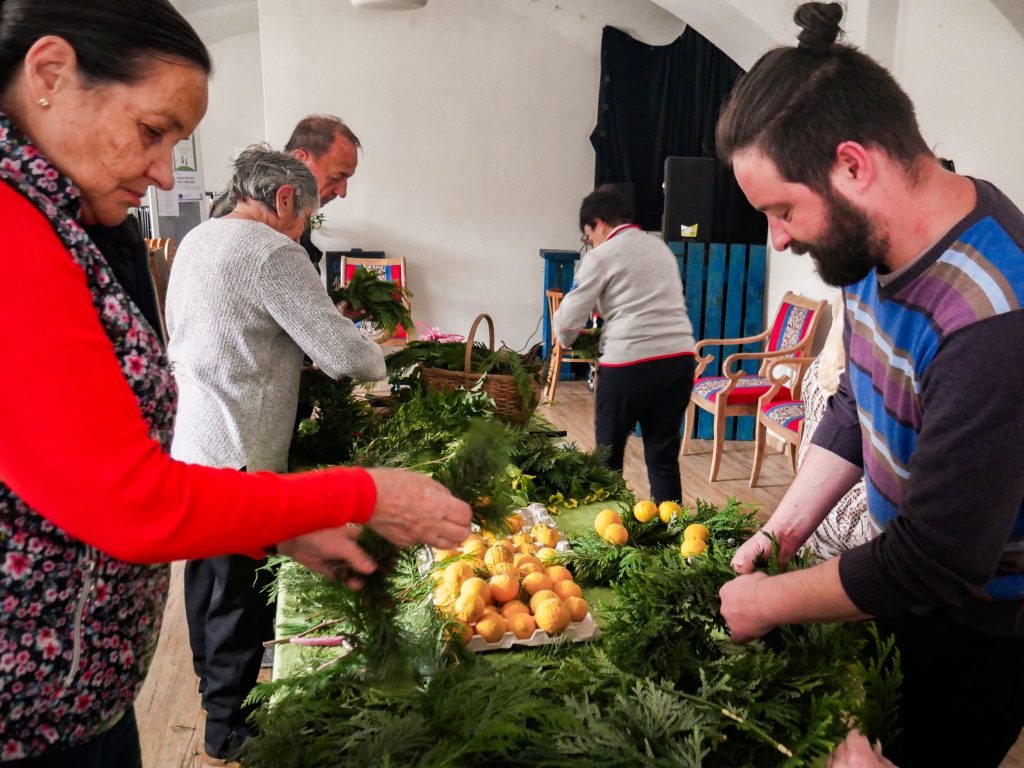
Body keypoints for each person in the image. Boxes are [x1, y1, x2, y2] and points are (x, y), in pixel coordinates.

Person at [0, 2, 471, 765]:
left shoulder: (147, 230)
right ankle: (229, 728)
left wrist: (281, 521)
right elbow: (126, 504)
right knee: (230, 606)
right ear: (50, 74)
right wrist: (363, 492)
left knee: (217, 598)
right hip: (35, 725)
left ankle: (224, 717)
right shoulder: (18, 228)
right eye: (154, 131)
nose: (163, 171)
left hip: (79, 696)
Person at [714, 3, 1024, 767]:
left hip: (981, 628)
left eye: (782, 210)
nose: (779, 238)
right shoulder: (870, 250)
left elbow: (938, 559)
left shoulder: (996, 314)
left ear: (853, 164)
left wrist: (770, 601)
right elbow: (858, 401)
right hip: (900, 586)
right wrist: (778, 536)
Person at [166, 144, 387, 764]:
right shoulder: (272, 250)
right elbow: (345, 357)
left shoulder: (199, 238)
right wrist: (380, 352)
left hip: (194, 437)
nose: (304, 229)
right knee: (240, 587)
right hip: (242, 446)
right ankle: (229, 729)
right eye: (306, 216)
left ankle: (212, 685)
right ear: (285, 198)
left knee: (208, 573)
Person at [553, 186, 696, 503]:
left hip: (629, 364)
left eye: (588, 234)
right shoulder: (661, 249)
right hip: (679, 360)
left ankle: (608, 536)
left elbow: (565, 323)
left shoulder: (601, 256)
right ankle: (672, 532)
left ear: (599, 223)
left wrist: (573, 339)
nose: (590, 241)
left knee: (608, 456)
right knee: (662, 455)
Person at [283, 114, 361, 272]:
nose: (342, 192)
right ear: (300, 160)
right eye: (335, 178)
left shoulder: (299, 209)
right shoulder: (248, 215)